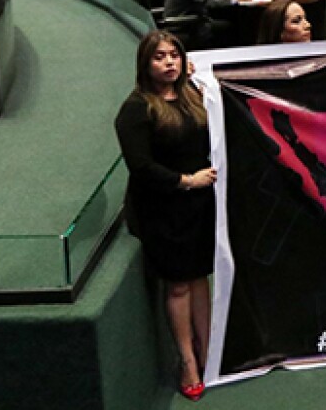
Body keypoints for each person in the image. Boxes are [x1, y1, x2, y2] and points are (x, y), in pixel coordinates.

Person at [113, 31, 216, 401]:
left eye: (174, 55)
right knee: (179, 285)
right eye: (159, 57)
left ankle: (209, 352)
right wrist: (186, 181)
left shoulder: (193, 95)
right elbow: (141, 167)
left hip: (200, 206)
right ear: (145, 64)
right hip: (163, 208)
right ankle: (187, 361)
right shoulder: (136, 109)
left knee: (200, 279)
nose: (169, 62)